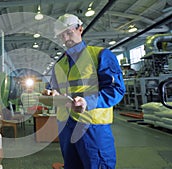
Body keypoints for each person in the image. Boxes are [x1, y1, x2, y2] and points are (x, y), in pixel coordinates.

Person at [48, 14, 126, 169]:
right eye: (61, 35)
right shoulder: (59, 64)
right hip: (66, 127)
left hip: (92, 127)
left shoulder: (100, 55)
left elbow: (116, 89)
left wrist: (87, 102)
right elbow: (54, 89)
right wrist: (50, 94)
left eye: (69, 33)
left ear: (80, 29)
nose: (65, 38)